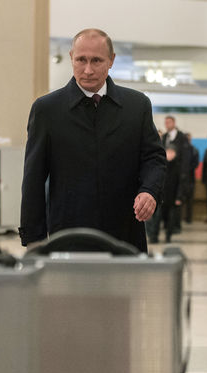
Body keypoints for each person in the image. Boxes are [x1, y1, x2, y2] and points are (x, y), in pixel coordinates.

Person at [19, 28, 166, 252]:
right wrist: (33, 238)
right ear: (71, 58)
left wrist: (149, 190)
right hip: (68, 236)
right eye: (81, 60)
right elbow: (34, 177)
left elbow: (154, 158)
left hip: (125, 235)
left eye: (96, 60)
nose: (88, 70)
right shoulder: (47, 110)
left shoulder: (137, 106)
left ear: (111, 61)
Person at [146, 144, 182, 243]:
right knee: (156, 219)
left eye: (172, 152)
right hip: (160, 198)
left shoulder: (178, 167)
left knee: (170, 220)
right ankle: (154, 237)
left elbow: (180, 184)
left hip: (172, 198)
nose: (170, 155)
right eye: (168, 152)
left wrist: (179, 197)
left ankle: (168, 236)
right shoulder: (161, 165)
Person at [183, 132, 199, 224]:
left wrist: (187, 169)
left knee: (189, 200)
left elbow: (195, 164)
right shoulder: (181, 150)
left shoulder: (194, 150)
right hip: (181, 179)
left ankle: (189, 218)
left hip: (190, 178)